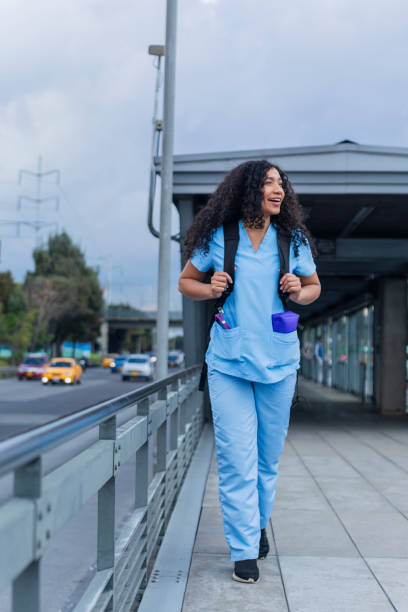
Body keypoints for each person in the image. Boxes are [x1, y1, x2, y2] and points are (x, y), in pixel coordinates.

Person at [178, 160, 321, 584]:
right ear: (250, 189)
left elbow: (314, 288)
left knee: (265, 459)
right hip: (229, 362)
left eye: (282, 184)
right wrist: (211, 287)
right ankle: (243, 550)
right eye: (269, 183)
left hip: (278, 361)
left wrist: (300, 288)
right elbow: (187, 281)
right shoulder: (221, 239)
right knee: (236, 458)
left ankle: (257, 523)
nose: (278, 190)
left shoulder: (291, 240)